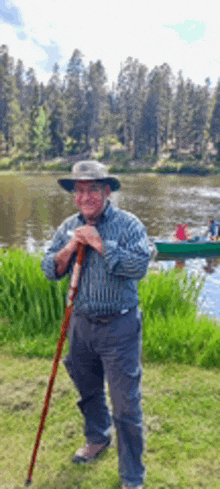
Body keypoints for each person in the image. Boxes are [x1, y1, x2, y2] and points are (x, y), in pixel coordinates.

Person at [41, 160, 151, 489]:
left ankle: (132, 477)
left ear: (107, 192)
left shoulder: (128, 224)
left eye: (93, 190)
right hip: (80, 324)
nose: (85, 196)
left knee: (126, 405)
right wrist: (70, 247)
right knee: (88, 390)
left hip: (119, 326)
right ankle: (97, 438)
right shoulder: (67, 227)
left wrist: (101, 244)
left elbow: (139, 265)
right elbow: (49, 268)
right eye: (80, 190)